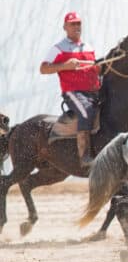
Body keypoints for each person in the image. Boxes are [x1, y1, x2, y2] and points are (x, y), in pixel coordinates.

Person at [39, 11, 99, 167]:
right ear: (65, 27)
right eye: (72, 24)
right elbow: (43, 69)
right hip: (73, 93)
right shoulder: (58, 48)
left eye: (78, 23)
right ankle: (84, 156)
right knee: (86, 111)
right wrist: (65, 66)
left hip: (93, 91)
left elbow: (94, 70)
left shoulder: (89, 47)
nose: (76, 26)